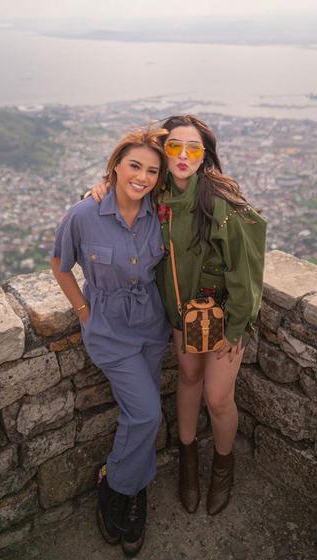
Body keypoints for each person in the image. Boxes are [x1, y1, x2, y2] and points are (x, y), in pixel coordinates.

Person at [92, 114, 266, 517]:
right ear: (163, 150)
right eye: (175, 146)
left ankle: (222, 467)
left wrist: (237, 325)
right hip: (178, 316)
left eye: (194, 148)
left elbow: (247, 268)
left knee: (218, 397)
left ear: (205, 155)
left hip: (222, 318)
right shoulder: (156, 192)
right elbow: (121, 187)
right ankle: (188, 462)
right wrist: (97, 189)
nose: (183, 155)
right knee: (187, 378)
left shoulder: (220, 202)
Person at [51, 126, 171, 558]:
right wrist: (84, 312)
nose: (141, 176)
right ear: (116, 165)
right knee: (146, 413)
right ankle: (116, 487)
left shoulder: (159, 210)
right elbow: (59, 264)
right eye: (134, 165)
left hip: (151, 326)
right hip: (109, 331)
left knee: (138, 413)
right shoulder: (85, 213)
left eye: (152, 171)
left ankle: (131, 488)